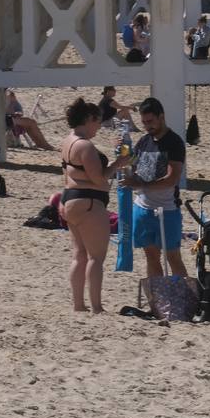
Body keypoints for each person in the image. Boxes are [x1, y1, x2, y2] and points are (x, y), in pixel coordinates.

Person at [60, 98, 132, 313]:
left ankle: (78, 305)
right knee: (96, 257)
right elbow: (98, 179)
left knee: (79, 255)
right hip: (89, 202)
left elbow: (81, 173)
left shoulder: (68, 141)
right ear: (89, 119)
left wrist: (111, 165)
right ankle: (97, 307)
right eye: (98, 122)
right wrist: (117, 165)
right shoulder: (85, 145)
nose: (99, 126)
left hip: (71, 199)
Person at [123, 97, 188, 279]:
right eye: (144, 122)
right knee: (151, 256)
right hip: (143, 208)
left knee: (173, 257)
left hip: (167, 210)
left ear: (161, 117)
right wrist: (123, 154)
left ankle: (182, 301)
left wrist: (140, 184)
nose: (147, 126)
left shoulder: (174, 143)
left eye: (150, 121)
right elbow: (131, 166)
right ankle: (158, 303)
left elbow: (172, 178)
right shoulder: (144, 141)